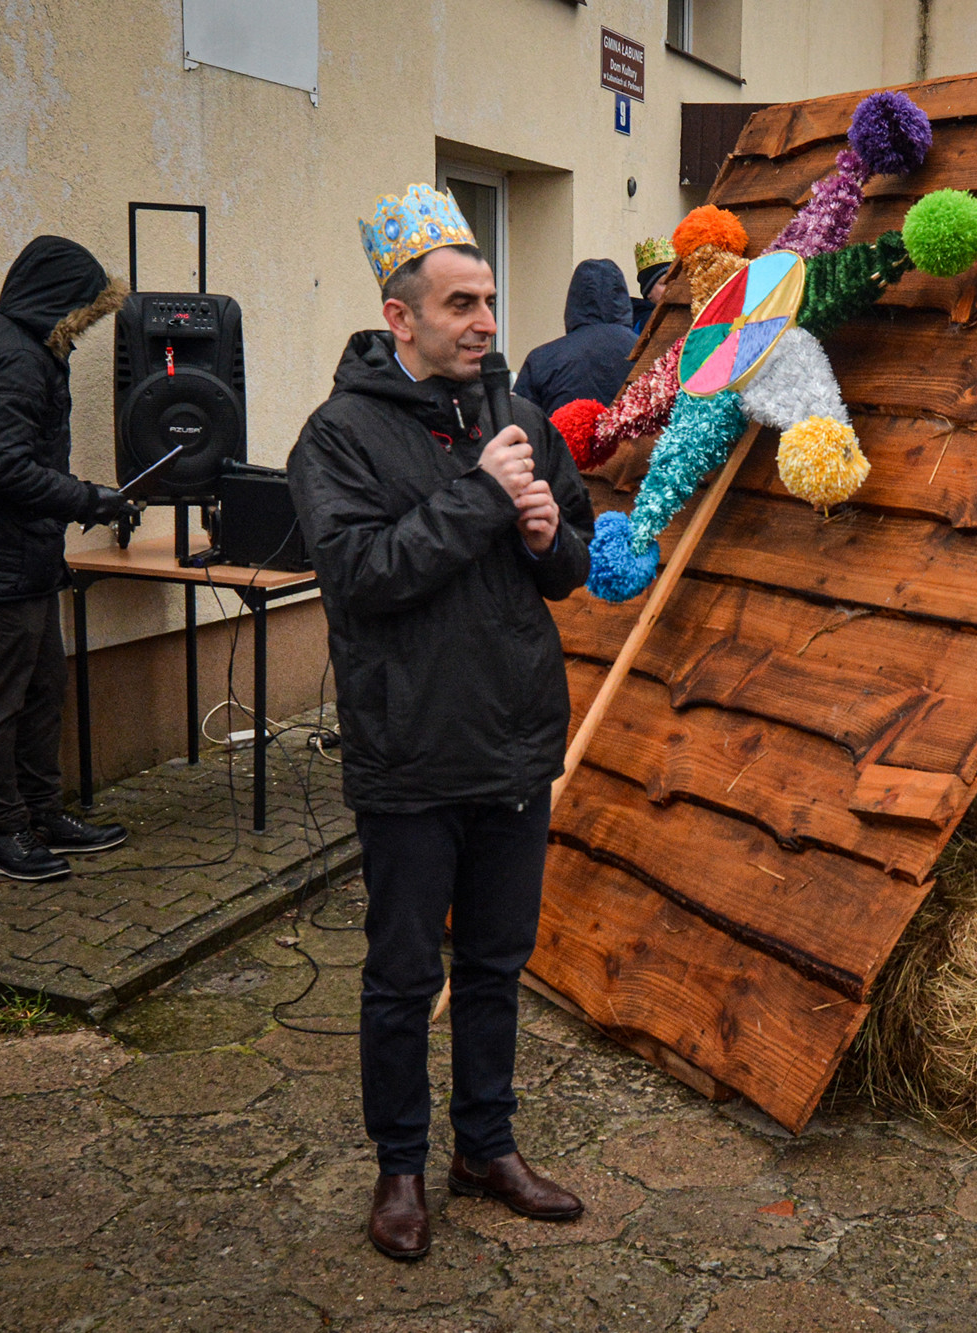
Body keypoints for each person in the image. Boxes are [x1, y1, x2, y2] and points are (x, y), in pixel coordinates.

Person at [288, 184, 594, 1261]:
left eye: (490, 301)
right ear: (400, 316)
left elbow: (568, 563)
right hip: (411, 752)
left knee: (498, 963)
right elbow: (362, 575)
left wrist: (549, 534)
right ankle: (400, 1169)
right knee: (405, 975)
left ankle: (487, 1147)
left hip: (513, 742)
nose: (484, 322)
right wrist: (481, 495)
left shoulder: (520, 419)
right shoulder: (337, 436)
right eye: (461, 304)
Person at [0, 235, 137, 882]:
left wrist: (81, 502)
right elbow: (3, 467)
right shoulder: (18, 358)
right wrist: (89, 499)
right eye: (83, 314)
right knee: (5, 701)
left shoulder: (21, 346)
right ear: (60, 303)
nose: (83, 329)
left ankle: (43, 813)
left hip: (23, 556)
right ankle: (6, 833)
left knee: (44, 689)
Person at [515, 258, 639, 415]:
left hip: (561, 430)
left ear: (574, 298)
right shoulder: (648, 353)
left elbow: (520, 419)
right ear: (622, 297)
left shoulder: (542, 359)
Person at [629, 235, 675, 333]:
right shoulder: (643, 321)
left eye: (675, 282)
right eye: (664, 283)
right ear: (648, 292)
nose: (671, 287)